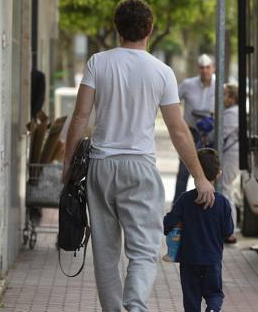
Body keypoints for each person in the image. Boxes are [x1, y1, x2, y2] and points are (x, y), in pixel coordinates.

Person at [63, 1, 215, 311]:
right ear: (150, 30)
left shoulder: (97, 62)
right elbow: (178, 130)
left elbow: (80, 117)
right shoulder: (162, 71)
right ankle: (135, 306)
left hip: (101, 166)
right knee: (144, 249)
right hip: (140, 168)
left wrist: (67, 166)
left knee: (105, 254)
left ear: (117, 28)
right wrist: (200, 177)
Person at [164, 148, 234, 312]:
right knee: (214, 294)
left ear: (194, 173)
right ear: (218, 174)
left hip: (189, 260)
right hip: (212, 260)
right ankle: (212, 310)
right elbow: (228, 231)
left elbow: (167, 225)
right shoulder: (222, 203)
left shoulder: (185, 200)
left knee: (191, 298)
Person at [174, 54, 216, 202]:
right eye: (202, 67)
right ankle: (177, 205)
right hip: (191, 132)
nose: (205, 70)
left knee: (210, 170)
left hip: (211, 134)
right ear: (198, 68)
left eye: (208, 67)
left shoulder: (219, 85)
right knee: (184, 170)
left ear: (213, 68)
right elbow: (172, 100)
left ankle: (208, 203)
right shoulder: (188, 84)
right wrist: (179, 120)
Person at [221, 84, 240, 244]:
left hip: (230, 156)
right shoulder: (233, 112)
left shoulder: (231, 114)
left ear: (232, 98)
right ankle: (228, 229)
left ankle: (229, 230)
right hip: (232, 155)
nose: (222, 98)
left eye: (225, 95)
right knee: (228, 190)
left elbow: (220, 134)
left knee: (225, 190)